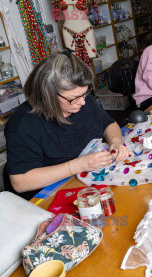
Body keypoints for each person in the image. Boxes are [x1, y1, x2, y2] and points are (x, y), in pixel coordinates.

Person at [3, 51, 133, 200]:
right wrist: (77, 165)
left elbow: (108, 124)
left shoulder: (81, 100)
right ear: (48, 95)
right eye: (74, 98)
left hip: (85, 181)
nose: (83, 102)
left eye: (85, 93)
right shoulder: (22, 125)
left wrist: (116, 142)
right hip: (49, 195)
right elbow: (20, 182)